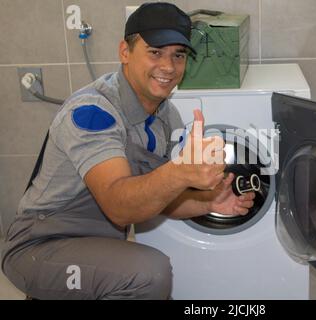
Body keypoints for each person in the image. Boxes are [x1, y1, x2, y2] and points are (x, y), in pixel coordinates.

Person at [1, 2, 255, 300]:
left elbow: (161, 198)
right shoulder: (93, 112)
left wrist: (209, 202)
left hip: (95, 244)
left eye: (179, 55)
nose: (169, 67)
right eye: (155, 52)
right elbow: (119, 207)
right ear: (125, 52)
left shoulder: (166, 116)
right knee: (148, 275)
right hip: (39, 246)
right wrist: (179, 172)